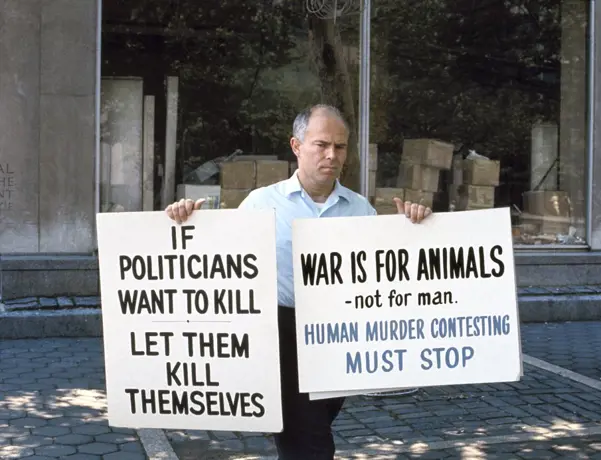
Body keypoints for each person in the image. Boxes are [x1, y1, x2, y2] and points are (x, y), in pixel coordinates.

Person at [166, 104, 433, 459]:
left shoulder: (360, 210)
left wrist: (414, 231)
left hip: (337, 335)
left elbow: (385, 276)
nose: (331, 155)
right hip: (280, 333)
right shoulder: (261, 203)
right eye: (321, 144)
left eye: (339, 147)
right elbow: (218, 261)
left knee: (313, 426)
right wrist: (185, 222)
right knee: (311, 443)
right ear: (296, 146)